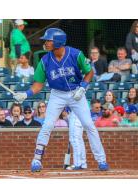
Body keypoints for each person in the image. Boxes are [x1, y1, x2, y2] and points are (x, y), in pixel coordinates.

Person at [13, 28, 109, 172]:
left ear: (58, 41)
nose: (45, 43)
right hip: (57, 94)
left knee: (89, 125)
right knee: (47, 125)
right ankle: (37, 160)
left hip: (76, 92)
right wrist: (26, 94)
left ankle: (101, 160)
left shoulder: (76, 54)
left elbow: (89, 72)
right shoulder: (45, 60)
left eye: (48, 40)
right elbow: (38, 84)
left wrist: (83, 87)